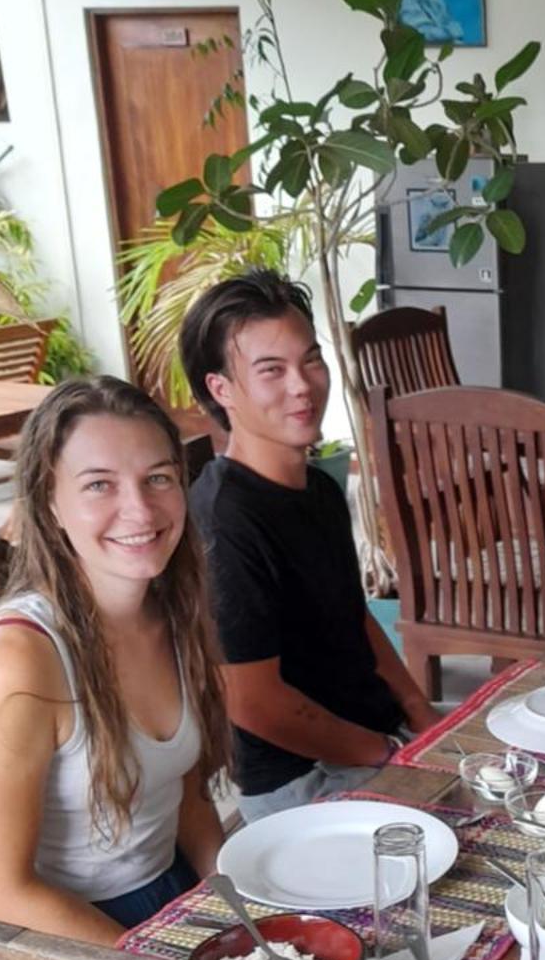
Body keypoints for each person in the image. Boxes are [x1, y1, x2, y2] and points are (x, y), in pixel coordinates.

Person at [0, 378, 228, 941]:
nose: (140, 509)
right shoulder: (19, 657)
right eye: (99, 485)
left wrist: (236, 906)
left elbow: (187, 796)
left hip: (172, 897)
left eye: (158, 478)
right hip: (72, 938)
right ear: (49, 501)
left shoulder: (173, 610)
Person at [182, 271, 435, 821]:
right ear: (221, 389)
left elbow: (352, 614)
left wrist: (418, 711)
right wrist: (388, 755)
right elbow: (252, 701)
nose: (302, 385)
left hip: (371, 736)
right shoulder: (226, 520)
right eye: (271, 371)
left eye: (311, 361)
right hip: (305, 779)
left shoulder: (317, 486)